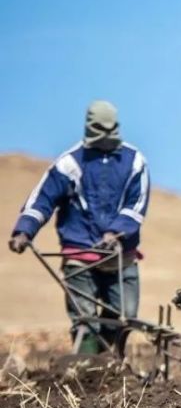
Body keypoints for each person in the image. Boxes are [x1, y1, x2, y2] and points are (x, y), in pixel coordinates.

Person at [8, 101, 150, 354]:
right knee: (85, 319)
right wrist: (24, 230)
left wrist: (115, 232)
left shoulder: (134, 161)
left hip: (121, 256)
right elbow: (42, 199)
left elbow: (136, 205)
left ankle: (109, 363)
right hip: (80, 254)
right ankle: (87, 370)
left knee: (125, 316)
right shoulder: (69, 163)